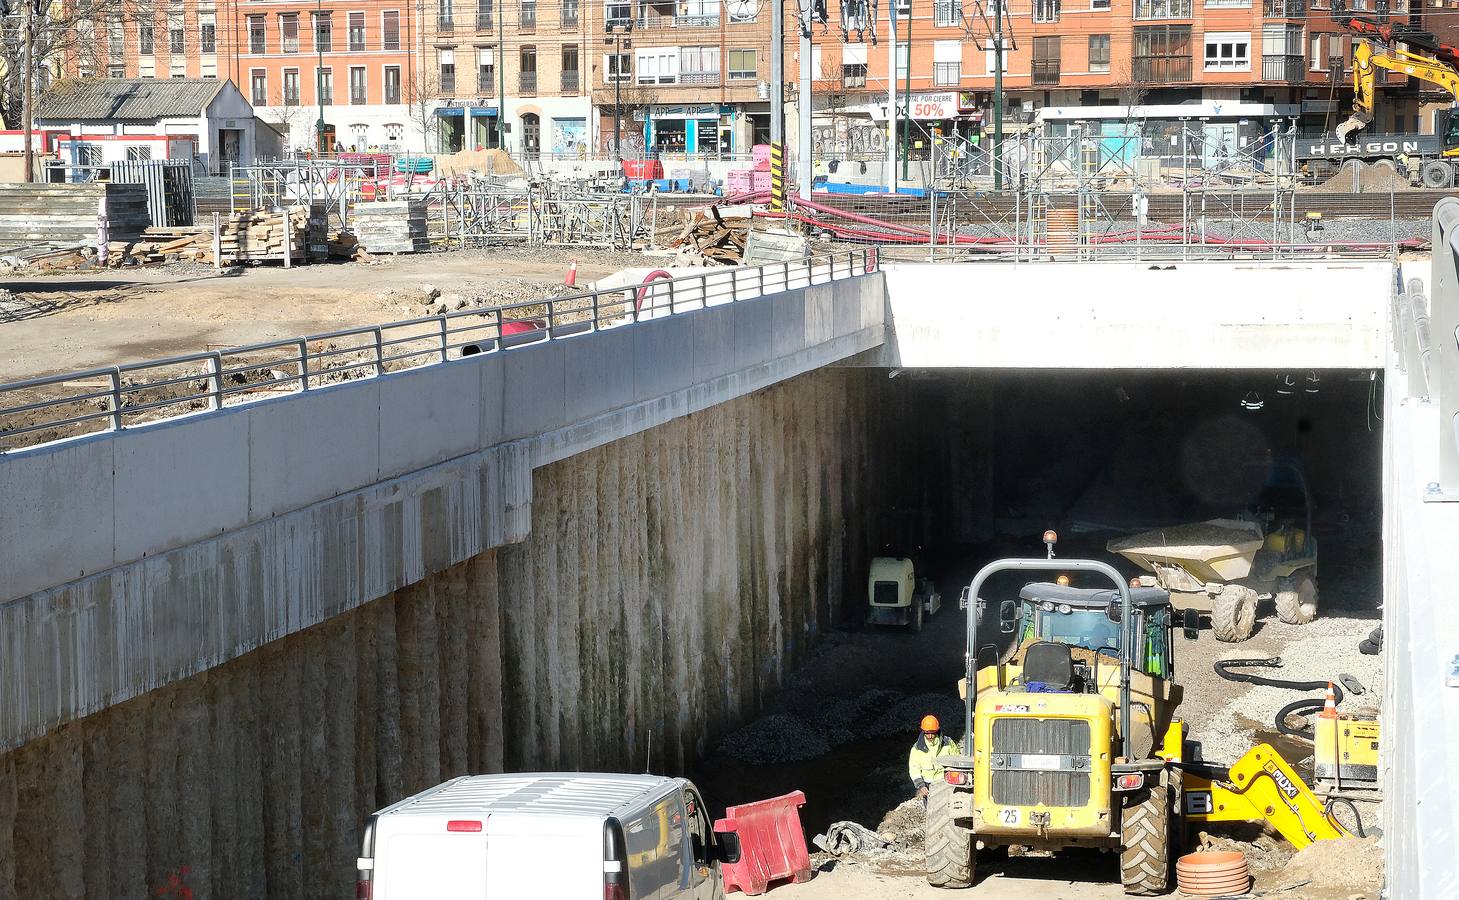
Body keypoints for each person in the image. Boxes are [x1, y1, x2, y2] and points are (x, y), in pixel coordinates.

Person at [908, 715, 959, 804]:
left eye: (933, 732)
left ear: (937, 730)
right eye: (927, 733)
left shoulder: (947, 743)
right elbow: (914, 769)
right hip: (928, 786)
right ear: (923, 731)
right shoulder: (917, 749)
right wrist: (921, 786)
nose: (930, 736)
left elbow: (957, 760)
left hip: (946, 783)